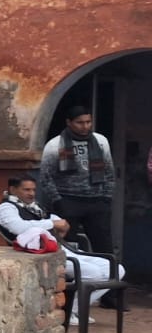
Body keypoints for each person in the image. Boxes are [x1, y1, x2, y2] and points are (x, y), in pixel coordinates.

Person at [0, 173, 112, 314]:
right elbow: (18, 228)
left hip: (58, 248)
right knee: (94, 273)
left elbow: (55, 219)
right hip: (35, 253)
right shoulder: (6, 208)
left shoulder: (34, 206)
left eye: (33, 190)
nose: (31, 193)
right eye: (26, 190)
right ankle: (69, 310)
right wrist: (52, 223)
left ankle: (74, 308)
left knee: (116, 269)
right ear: (13, 190)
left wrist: (60, 224)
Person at [38, 105, 116, 253]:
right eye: (80, 122)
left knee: (104, 245)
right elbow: (45, 177)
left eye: (88, 122)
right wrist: (58, 201)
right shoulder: (55, 145)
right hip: (68, 201)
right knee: (69, 246)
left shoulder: (101, 141)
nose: (85, 126)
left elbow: (109, 172)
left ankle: (109, 274)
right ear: (69, 122)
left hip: (97, 201)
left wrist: (106, 198)